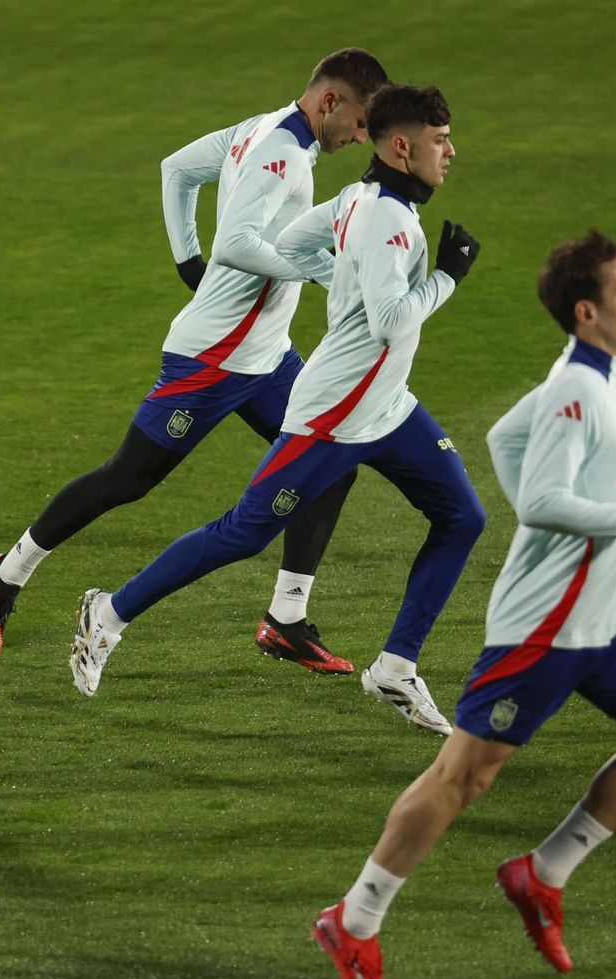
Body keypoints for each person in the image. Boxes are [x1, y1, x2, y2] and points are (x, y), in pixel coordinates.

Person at [313, 231, 616, 979]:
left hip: (601, 614)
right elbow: (542, 502)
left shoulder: (598, 377)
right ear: (588, 311)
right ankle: (353, 920)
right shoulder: (577, 391)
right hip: (546, 621)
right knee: (463, 777)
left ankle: (542, 873)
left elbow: (504, 435)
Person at [69, 84, 484, 736]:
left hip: (387, 407)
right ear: (403, 147)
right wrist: (448, 276)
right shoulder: (389, 221)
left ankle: (396, 666)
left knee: (462, 516)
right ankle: (109, 614)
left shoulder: (358, 197)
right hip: (333, 416)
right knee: (242, 533)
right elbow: (390, 322)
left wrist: (337, 275)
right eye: (440, 141)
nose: (450, 152)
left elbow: (289, 241)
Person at [0, 48, 389, 672]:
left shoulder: (262, 128)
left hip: (267, 358)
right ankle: (6, 574)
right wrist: (324, 272)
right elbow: (238, 244)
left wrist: (185, 259)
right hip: (214, 358)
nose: (360, 137)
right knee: (129, 478)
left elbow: (177, 170)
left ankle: (286, 619)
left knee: (331, 463)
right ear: (330, 101)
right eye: (358, 122)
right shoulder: (280, 152)